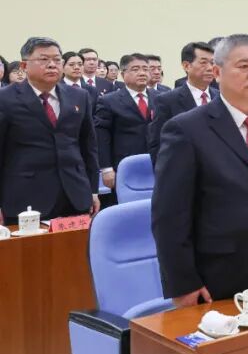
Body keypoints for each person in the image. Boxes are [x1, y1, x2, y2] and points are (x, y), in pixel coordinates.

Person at [151, 34, 248, 305]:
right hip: (218, 276)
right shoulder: (186, 129)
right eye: (243, 66)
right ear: (217, 72)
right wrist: (183, 283)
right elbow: (169, 216)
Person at [0, 37, 98, 223]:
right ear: (24, 65)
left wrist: (93, 190)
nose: (52, 65)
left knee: (78, 242)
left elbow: (88, 146)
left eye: (57, 59)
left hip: (75, 195)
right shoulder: (5, 99)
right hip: (25, 198)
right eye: (44, 59)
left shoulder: (79, 96)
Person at [148, 42, 217, 166]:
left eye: (212, 63)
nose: (210, 68)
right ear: (186, 66)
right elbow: (158, 144)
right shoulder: (167, 101)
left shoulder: (221, 97)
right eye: (203, 63)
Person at [95, 53, 154, 192]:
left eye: (145, 69)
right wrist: (106, 168)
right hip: (124, 166)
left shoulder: (160, 98)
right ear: (123, 74)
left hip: (156, 163)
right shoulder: (109, 101)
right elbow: (102, 136)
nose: (142, 73)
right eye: (135, 69)